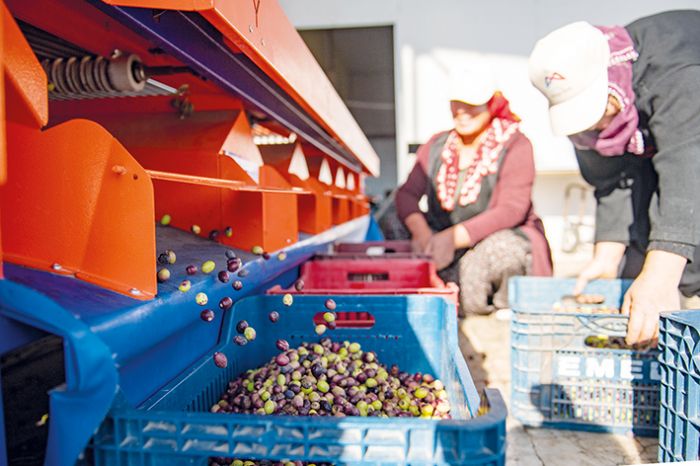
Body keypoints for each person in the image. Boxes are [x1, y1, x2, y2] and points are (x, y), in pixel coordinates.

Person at [528, 11, 700, 346]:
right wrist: (605, 258)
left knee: (664, 269)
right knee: (638, 269)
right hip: (671, 178)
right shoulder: (592, 127)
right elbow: (611, 180)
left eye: (594, 111)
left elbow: (687, 160)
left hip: (691, 161)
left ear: (610, 79)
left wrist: (661, 276)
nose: (594, 129)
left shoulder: (676, 73)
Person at [387, 66, 553, 316]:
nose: (462, 112)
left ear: (492, 103)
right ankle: (426, 289)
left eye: (471, 104)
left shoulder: (516, 144)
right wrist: (422, 234)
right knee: (389, 217)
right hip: (438, 244)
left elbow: (511, 209)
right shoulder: (437, 144)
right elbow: (406, 194)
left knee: (507, 250)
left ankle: (497, 304)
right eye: (456, 103)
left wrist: (452, 239)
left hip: (482, 245)